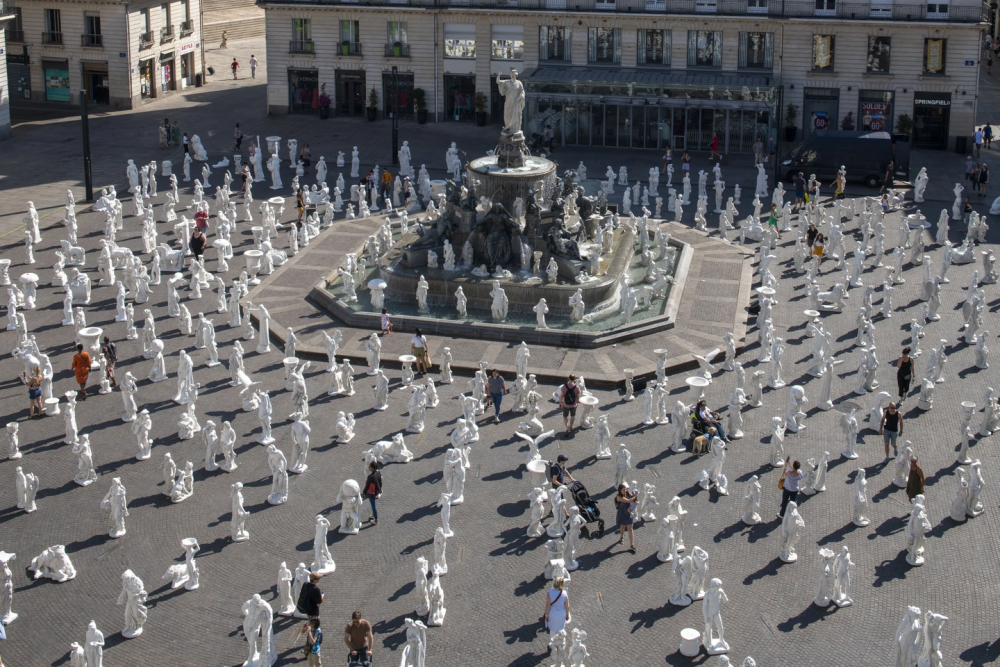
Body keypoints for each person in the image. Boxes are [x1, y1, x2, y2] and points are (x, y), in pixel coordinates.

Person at [543, 577, 570, 642]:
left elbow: (547, 605)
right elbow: (567, 606)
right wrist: (567, 614)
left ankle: (553, 644)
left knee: (552, 631)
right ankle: (561, 642)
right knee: (561, 629)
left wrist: (546, 615)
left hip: (552, 614)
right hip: (561, 614)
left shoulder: (550, 592)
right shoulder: (564, 593)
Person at [614, 483, 637, 552]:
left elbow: (631, 496)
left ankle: (632, 544)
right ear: (620, 490)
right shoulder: (619, 497)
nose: (625, 491)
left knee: (630, 528)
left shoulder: (626, 492)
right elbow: (629, 500)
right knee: (623, 526)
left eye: (625, 489)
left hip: (628, 512)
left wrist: (634, 495)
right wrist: (636, 496)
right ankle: (621, 537)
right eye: (623, 490)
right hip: (623, 512)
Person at [363, 461, 382, 526]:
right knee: (373, 504)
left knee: (373, 505)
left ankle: (376, 519)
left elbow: (367, 486)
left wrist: (364, 492)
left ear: (373, 468)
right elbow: (380, 481)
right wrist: (380, 489)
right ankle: (374, 514)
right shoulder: (378, 473)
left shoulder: (370, 477)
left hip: (372, 493)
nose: (369, 468)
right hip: (377, 491)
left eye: (370, 467)